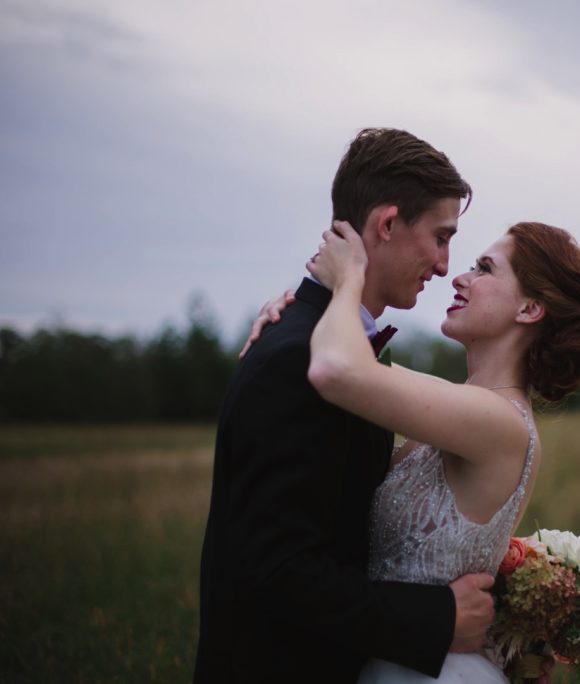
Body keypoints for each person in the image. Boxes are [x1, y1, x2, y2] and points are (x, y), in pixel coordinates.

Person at [249, 218, 580, 682]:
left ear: (530, 308)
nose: (459, 277)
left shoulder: (499, 422)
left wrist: (346, 280)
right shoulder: (462, 409)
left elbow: (339, 370)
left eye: (484, 269)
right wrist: (292, 319)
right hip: (400, 654)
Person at [194, 128, 493, 684]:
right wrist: (437, 620)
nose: (446, 264)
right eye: (441, 236)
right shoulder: (294, 361)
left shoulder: (336, 353)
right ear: (386, 224)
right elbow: (279, 570)